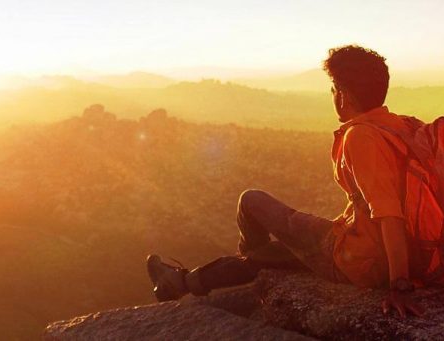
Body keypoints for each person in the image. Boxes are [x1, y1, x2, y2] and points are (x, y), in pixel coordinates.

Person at [146, 45, 425, 318]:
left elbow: (390, 214)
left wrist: (399, 285)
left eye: (334, 90)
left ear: (344, 95)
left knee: (251, 201)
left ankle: (242, 272)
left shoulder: (361, 137)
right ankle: (185, 282)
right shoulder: (403, 127)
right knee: (285, 251)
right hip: (399, 252)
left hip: (361, 261)